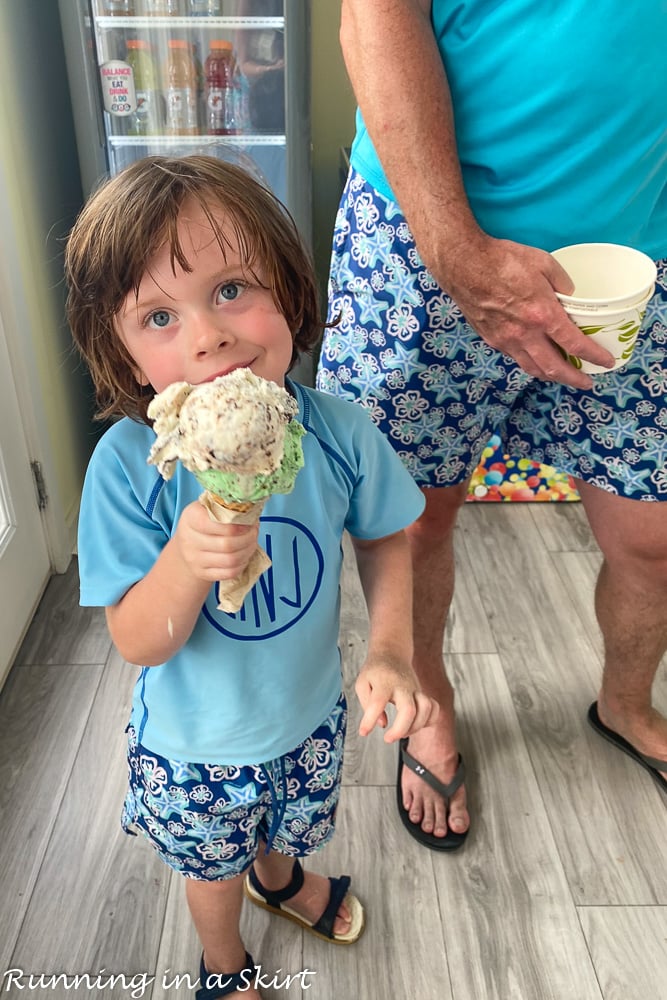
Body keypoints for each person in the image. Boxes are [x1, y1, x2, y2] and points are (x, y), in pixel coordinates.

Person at [65, 154, 438, 1000]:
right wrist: (185, 559)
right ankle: (223, 963)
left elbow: (384, 538)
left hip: (306, 714)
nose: (207, 334)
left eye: (232, 288)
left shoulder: (338, 431)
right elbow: (136, 640)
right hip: (195, 747)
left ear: (291, 293)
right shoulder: (129, 468)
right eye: (159, 316)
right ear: (125, 362)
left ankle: (278, 877)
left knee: (285, 826)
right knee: (212, 867)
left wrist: (388, 650)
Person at [317, 0, 667, 850]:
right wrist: (457, 254)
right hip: (424, 241)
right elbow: (374, 17)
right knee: (414, 517)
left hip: (635, 251)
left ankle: (624, 703)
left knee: (652, 535)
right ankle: (426, 707)